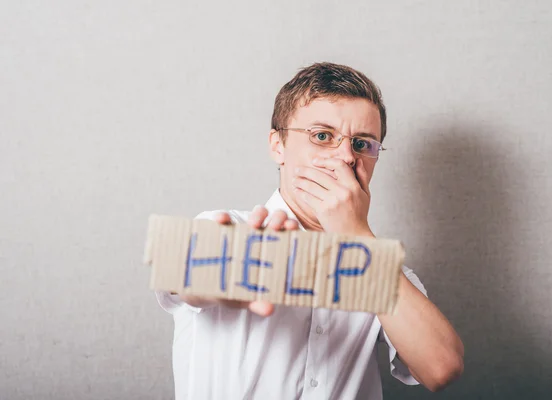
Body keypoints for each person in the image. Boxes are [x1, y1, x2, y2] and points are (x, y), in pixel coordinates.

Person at [156, 62, 464, 399]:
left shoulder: (391, 276)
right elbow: (178, 273)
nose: (346, 156)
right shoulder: (229, 227)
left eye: (362, 144)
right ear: (278, 145)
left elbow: (442, 368)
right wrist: (229, 271)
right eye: (322, 136)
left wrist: (357, 237)